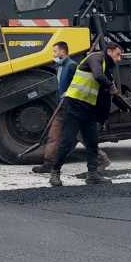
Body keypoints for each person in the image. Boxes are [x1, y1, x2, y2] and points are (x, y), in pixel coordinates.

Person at [48, 40, 131, 187]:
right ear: (109, 51)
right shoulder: (95, 58)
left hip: (89, 109)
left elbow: (114, 94)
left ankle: (92, 174)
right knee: (67, 142)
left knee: (92, 142)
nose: (119, 59)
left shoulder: (107, 68)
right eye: (118, 55)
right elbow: (98, 76)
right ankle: (55, 172)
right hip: (74, 105)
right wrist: (110, 86)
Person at [31, 41, 78, 175]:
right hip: (61, 106)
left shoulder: (72, 66)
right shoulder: (60, 66)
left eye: (55, 51)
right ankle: (48, 164)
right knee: (53, 135)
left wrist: (68, 97)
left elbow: (77, 86)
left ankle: (100, 159)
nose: (54, 54)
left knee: (81, 135)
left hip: (71, 107)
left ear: (63, 52)